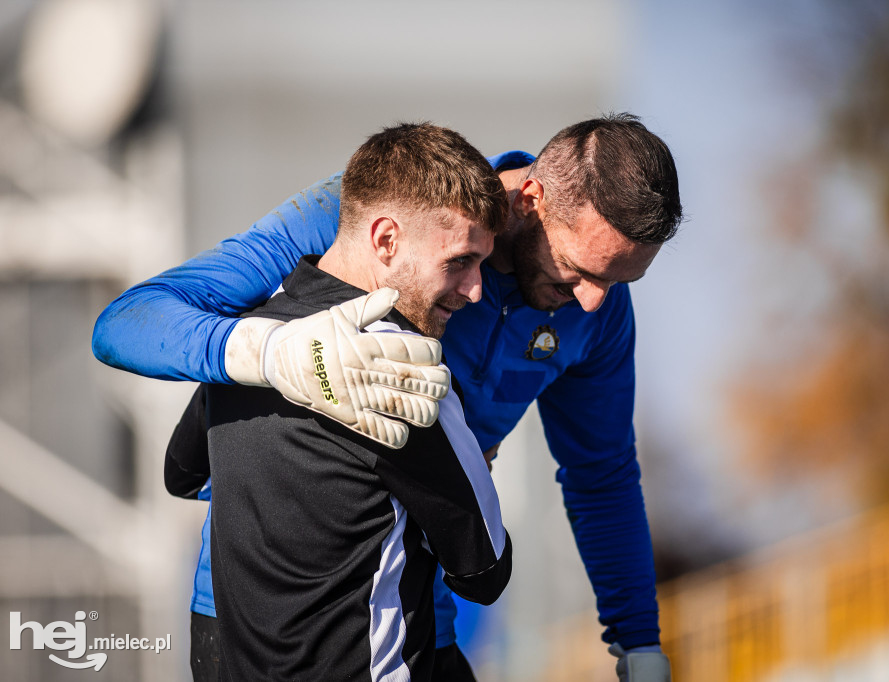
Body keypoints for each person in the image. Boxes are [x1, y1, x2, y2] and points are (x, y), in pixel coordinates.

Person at [93, 113, 682, 682]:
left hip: (415, 617)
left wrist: (639, 643)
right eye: (580, 271)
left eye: (618, 282)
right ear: (530, 201)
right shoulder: (379, 207)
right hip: (246, 617)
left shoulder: (597, 314)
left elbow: (601, 475)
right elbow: (126, 323)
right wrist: (270, 355)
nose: (593, 303)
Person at [166, 122, 512, 681]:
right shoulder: (403, 373)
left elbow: (181, 474)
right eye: (460, 261)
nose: (475, 289)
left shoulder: (253, 339)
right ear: (385, 240)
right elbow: (486, 571)